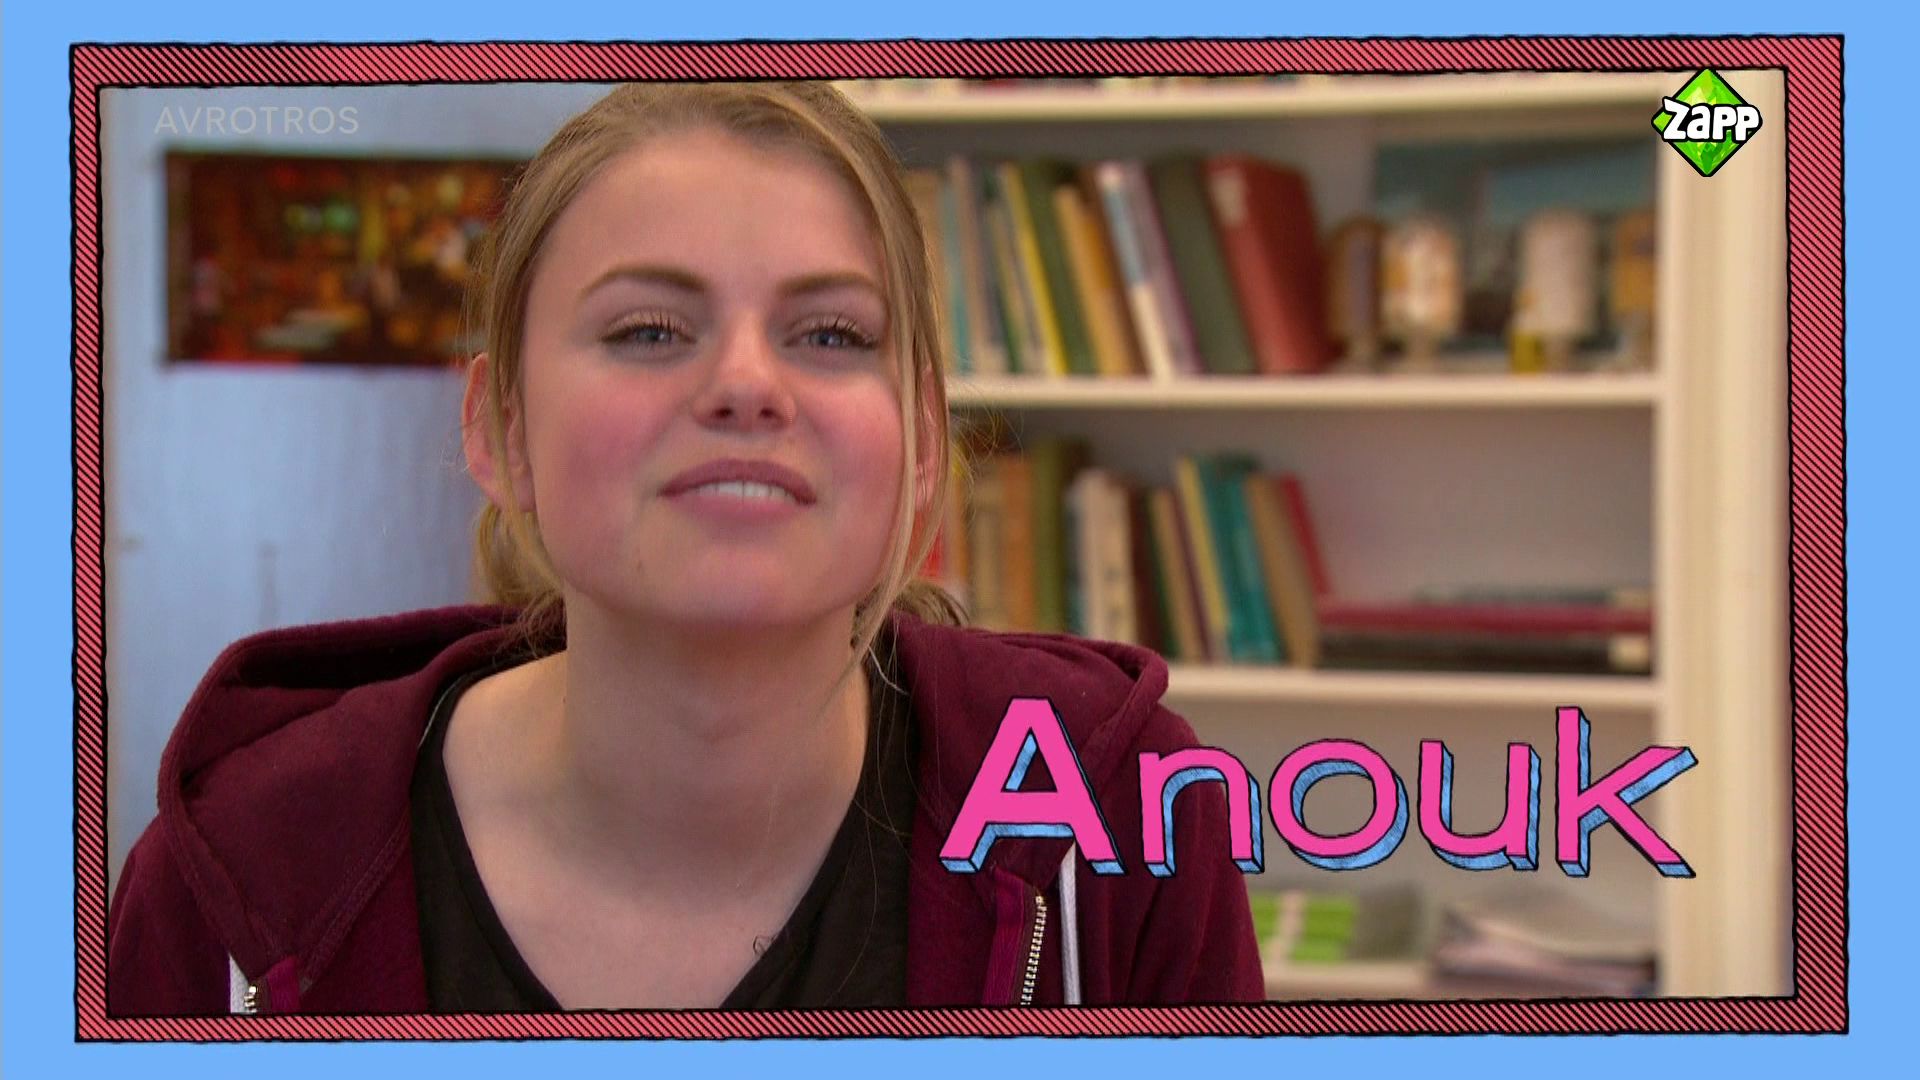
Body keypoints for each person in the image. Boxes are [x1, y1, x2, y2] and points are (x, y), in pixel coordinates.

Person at [106, 81, 1265, 1016]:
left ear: (921, 439)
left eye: (831, 333)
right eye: (649, 329)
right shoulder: (237, 879)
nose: (748, 384)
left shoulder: (1123, 827)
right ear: (500, 431)